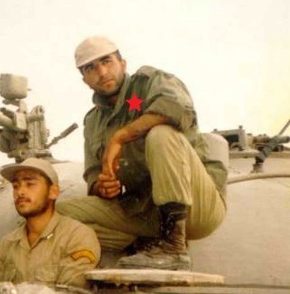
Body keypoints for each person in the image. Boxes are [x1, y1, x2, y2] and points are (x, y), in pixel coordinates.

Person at [56, 36, 227, 271]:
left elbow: (178, 109)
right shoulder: (93, 121)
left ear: (122, 63)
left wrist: (121, 136)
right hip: (144, 212)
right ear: (84, 79)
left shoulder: (150, 83)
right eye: (90, 68)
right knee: (58, 215)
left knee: (161, 134)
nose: (102, 72)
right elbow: (93, 174)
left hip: (195, 207)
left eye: (106, 61)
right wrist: (103, 187)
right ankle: (146, 245)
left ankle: (173, 247)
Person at [0, 158, 100, 288]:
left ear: (53, 192)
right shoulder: (8, 244)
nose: (20, 192)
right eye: (16, 186)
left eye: (30, 184)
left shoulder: (76, 236)